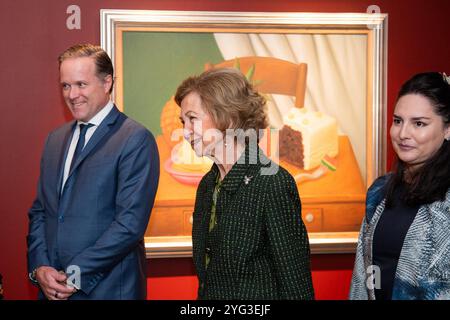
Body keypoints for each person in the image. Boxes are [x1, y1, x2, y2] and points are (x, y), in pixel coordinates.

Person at [27, 44, 160, 300]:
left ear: (107, 82)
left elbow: (129, 225)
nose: (72, 94)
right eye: (65, 86)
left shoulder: (135, 139)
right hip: (51, 288)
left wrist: (73, 275)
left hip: (107, 290)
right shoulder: (55, 140)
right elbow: (41, 211)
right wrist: (40, 267)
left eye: (81, 84)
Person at [174, 68, 314, 299]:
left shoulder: (272, 183)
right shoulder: (208, 185)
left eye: (192, 119)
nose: (185, 132)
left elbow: (296, 286)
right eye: (183, 122)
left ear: (227, 118)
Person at [350, 72, 450, 300]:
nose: (403, 134)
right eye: (398, 121)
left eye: (419, 123)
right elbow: (361, 274)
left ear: (447, 129)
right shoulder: (379, 191)